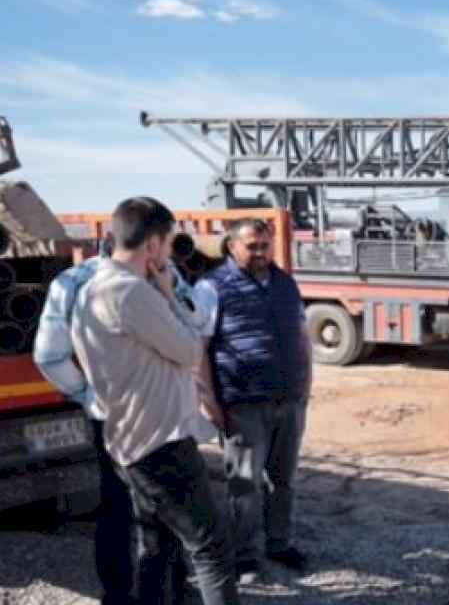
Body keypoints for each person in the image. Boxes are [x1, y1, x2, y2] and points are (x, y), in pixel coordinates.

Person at [70, 197, 238, 605]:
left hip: (132, 440)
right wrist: (166, 293)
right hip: (161, 443)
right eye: (168, 244)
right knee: (211, 548)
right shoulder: (131, 293)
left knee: (158, 546)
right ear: (153, 245)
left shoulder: (92, 289)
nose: (168, 254)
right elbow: (190, 350)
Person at [34, 235, 211, 604]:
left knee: (127, 503)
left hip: (127, 413)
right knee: (153, 504)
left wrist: (89, 396)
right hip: (157, 414)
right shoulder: (78, 281)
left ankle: (134, 592)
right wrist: (89, 395)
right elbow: (49, 355)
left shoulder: (83, 280)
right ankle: (160, 589)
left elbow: (50, 357)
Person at [193, 218, 312, 579]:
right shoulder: (211, 288)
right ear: (231, 246)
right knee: (244, 483)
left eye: (265, 245)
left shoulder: (286, 283)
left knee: (284, 479)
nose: (260, 252)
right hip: (242, 403)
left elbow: (302, 334)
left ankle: (279, 543)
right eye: (252, 246)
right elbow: (199, 346)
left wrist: (306, 383)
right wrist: (209, 399)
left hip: (289, 399)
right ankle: (244, 554)